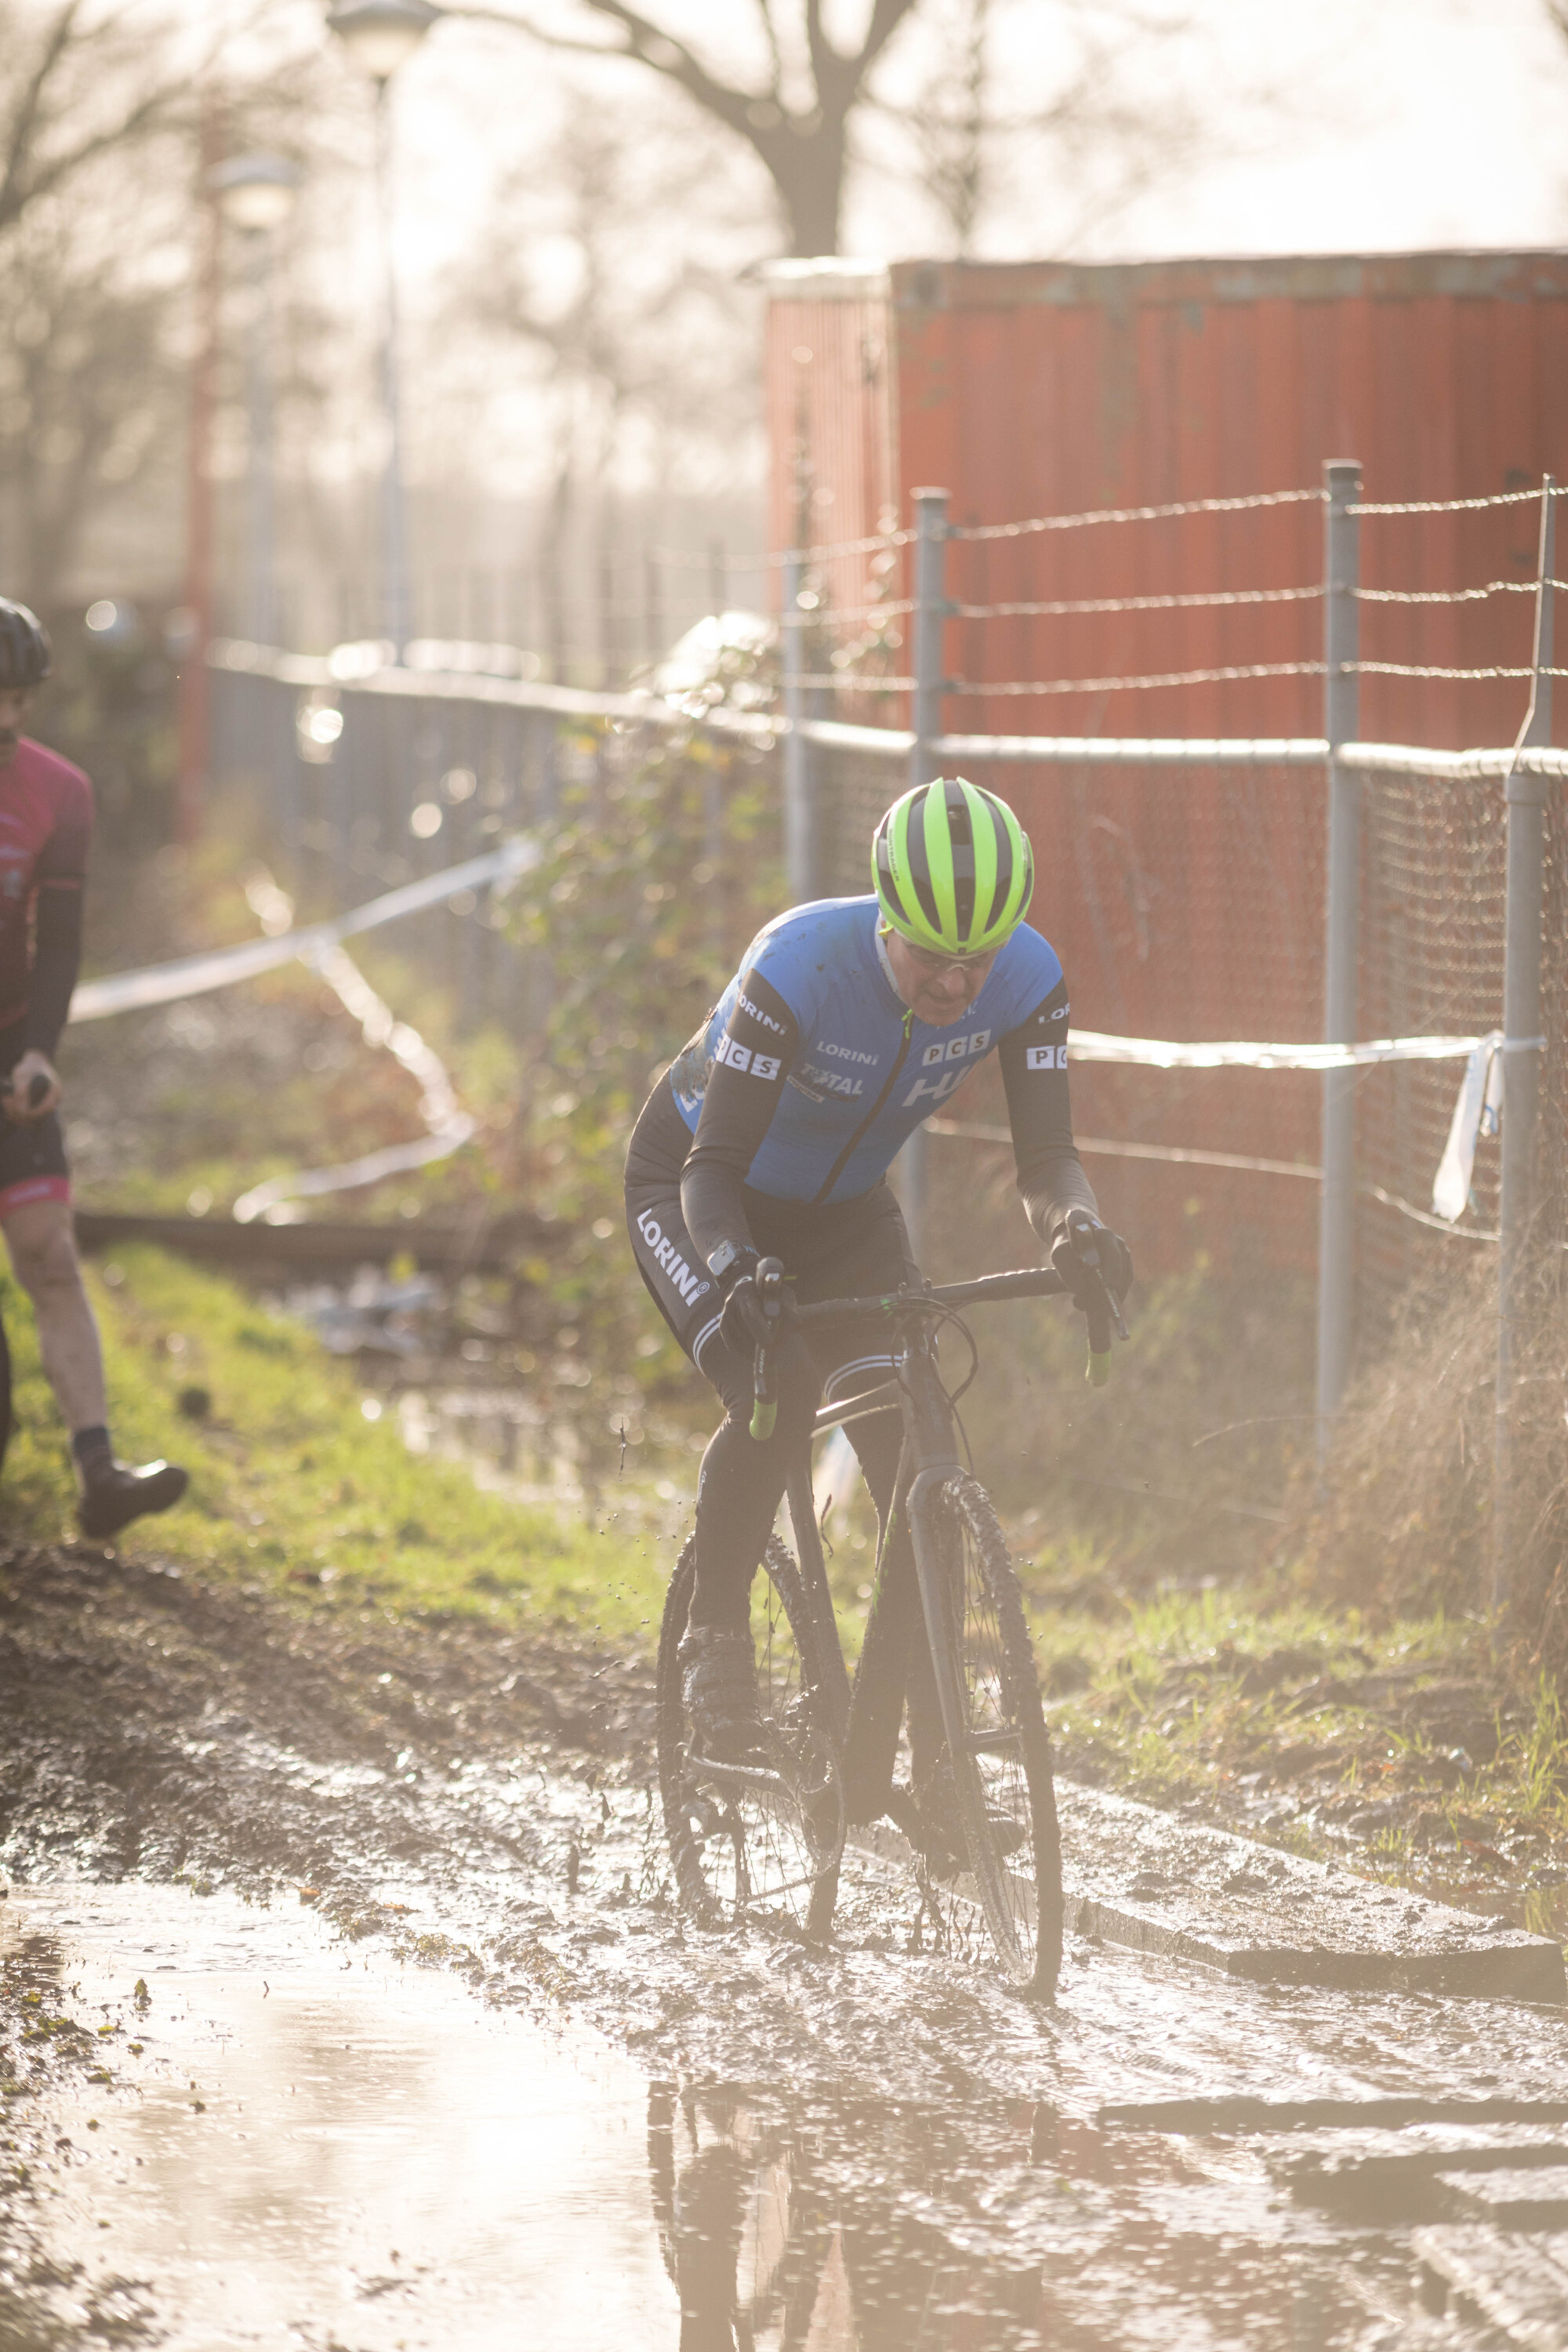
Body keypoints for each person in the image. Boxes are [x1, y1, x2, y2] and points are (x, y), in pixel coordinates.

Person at [624, 775, 1131, 1847]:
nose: (956, 981)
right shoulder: (797, 968)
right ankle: (717, 1639)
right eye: (930, 954)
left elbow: (1047, 1160)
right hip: (702, 1194)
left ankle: (936, 1766)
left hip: (848, 1215)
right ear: (885, 918)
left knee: (919, 1463)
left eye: (976, 958)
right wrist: (740, 1271)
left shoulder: (1028, 977)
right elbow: (710, 1171)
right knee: (775, 1384)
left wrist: (1075, 1229)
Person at [0, 597, 187, 1539]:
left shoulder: (58, 793)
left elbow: (60, 940)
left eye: (14, 699)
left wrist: (38, 1049)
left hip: (7, 1053)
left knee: (51, 1256)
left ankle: (99, 1471)